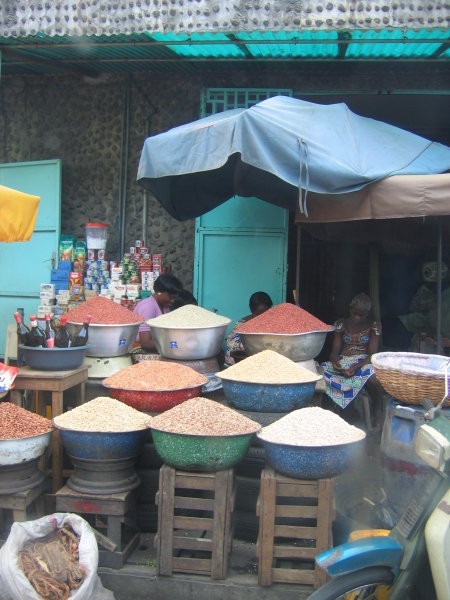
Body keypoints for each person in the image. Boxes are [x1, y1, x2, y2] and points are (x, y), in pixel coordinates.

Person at [321, 292, 384, 427]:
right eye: (355, 313)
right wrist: (336, 363)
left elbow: (372, 354)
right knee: (320, 372)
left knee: (374, 377)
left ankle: (377, 412)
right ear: (350, 310)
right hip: (344, 360)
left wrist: (355, 367)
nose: (357, 317)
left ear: (367, 314)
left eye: (361, 315)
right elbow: (334, 353)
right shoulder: (341, 324)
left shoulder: (374, 327)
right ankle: (330, 412)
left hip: (364, 361)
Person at [133, 273, 183, 352]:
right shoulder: (148, 307)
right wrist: (176, 346)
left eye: (174, 297)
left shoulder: (166, 307)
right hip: (141, 352)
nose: (173, 300)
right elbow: (146, 343)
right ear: (159, 292)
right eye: (171, 297)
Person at [225, 291, 273, 365]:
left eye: (266, 313)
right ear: (252, 311)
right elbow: (233, 350)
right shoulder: (242, 325)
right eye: (259, 314)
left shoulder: (274, 323)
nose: (263, 318)